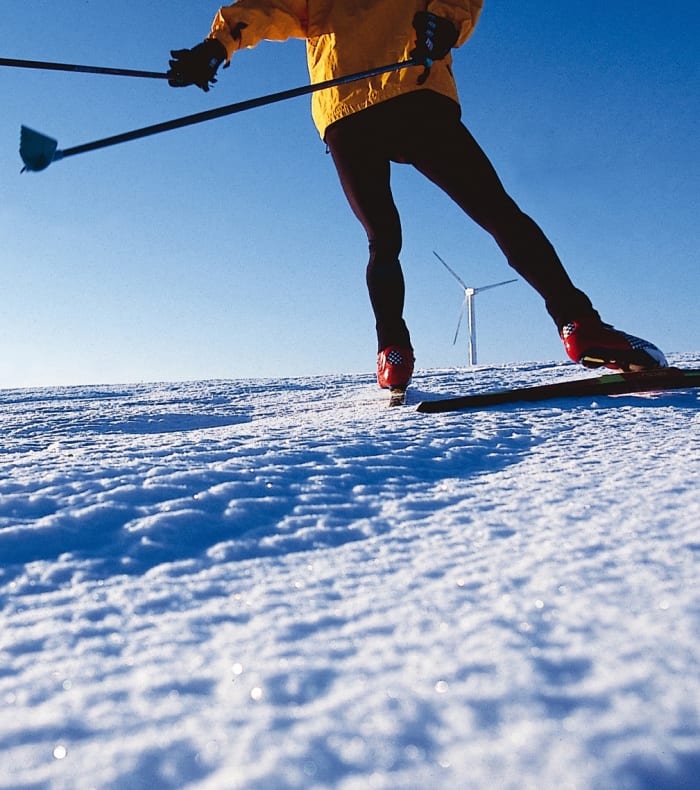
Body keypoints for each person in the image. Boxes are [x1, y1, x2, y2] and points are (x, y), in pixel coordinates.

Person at [167, 1, 667, 390]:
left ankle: (392, 354)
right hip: (412, 92)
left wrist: (217, 46)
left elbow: (267, 10)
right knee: (497, 214)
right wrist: (444, 24)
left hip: (349, 106)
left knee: (383, 238)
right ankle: (579, 324)